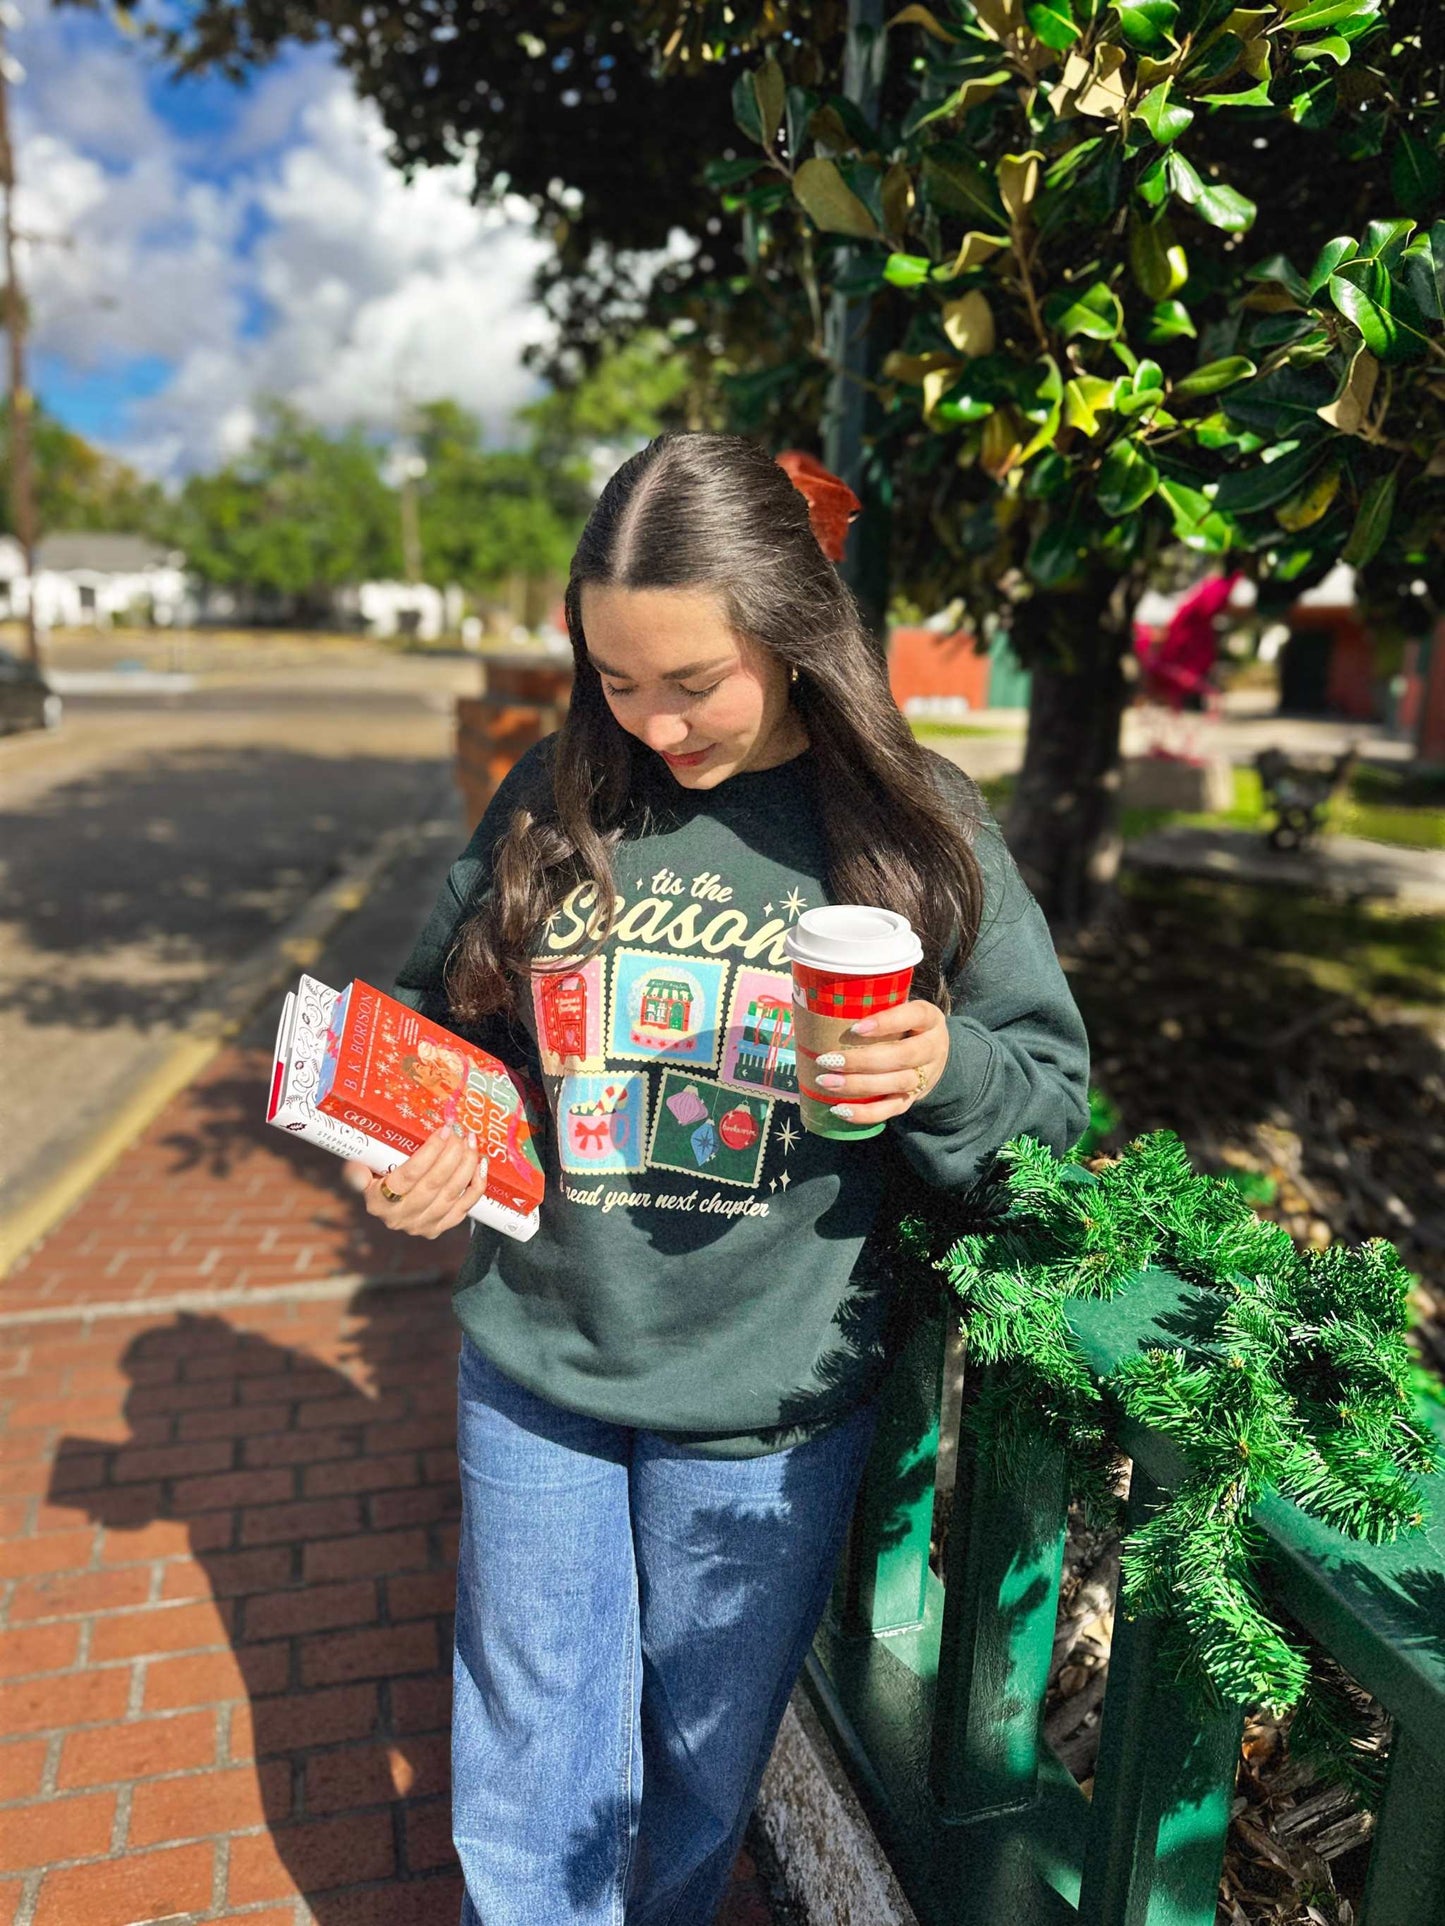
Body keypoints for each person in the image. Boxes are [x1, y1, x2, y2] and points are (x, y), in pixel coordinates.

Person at [341, 431, 1090, 1926]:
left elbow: (1051, 1108)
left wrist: (937, 1068)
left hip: (766, 1402)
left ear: (794, 635)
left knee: (699, 1754)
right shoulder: (556, 798)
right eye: (618, 679)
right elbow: (439, 1019)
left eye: (694, 680)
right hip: (541, 1355)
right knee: (526, 1753)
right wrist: (411, 1139)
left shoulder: (913, 823)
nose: (653, 720)